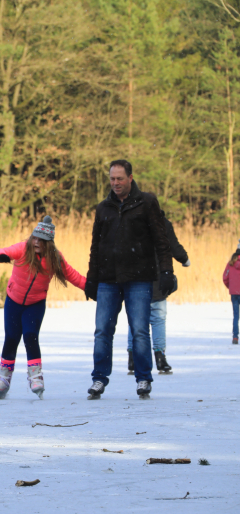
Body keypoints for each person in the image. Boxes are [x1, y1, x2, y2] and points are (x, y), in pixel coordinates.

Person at [84, 160, 173, 400]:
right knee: (103, 330)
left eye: (120, 179)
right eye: (112, 179)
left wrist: (166, 271)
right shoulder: (103, 208)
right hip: (108, 279)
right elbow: (96, 246)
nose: (115, 184)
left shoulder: (146, 203)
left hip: (139, 278)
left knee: (140, 330)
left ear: (130, 178)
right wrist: (91, 278)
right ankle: (99, 379)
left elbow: (161, 241)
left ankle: (143, 377)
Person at [0, 216, 86, 399]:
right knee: (11, 338)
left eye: (40, 240)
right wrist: (1, 256)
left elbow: (73, 275)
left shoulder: (54, 258)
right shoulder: (23, 249)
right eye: (34, 237)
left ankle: (35, 377)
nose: (35, 242)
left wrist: (91, 288)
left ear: (48, 243)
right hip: (13, 302)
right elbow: (1, 251)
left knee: (30, 336)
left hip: (35, 304)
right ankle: (3, 379)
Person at [126, 210, 190, 374]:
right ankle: (160, 357)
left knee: (135, 320)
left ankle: (133, 358)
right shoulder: (163, 223)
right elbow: (174, 246)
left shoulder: (131, 221)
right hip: (157, 281)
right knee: (158, 320)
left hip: (136, 280)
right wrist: (184, 259)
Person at [222, 245, 240, 345]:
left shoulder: (231, 263)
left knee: (236, 316)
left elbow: (225, 277)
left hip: (234, 293)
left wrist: (231, 286)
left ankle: (235, 337)